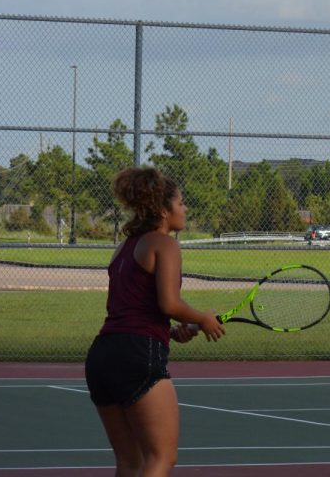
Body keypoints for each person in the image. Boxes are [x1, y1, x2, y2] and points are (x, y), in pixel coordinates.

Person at [85, 167, 225, 477]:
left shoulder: (124, 248)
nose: (185, 208)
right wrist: (203, 318)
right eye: (181, 202)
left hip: (102, 356)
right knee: (162, 457)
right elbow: (169, 303)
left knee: (130, 462)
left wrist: (174, 331)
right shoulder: (166, 245)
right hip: (138, 354)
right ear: (163, 210)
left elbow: (141, 307)